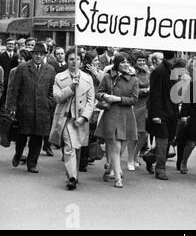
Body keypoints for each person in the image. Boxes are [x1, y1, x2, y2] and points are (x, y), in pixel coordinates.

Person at [49, 48, 95, 190]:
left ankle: (73, 173)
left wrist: (84, 117)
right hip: (65, 118)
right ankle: (72, 177)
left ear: (81, 61)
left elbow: (90, 101)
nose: (74, 62)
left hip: (79, 119)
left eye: (77, 59)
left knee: (77, 146)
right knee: (69, 147)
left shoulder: (88, 79)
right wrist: (71, 87)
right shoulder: (59, 77)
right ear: (66, 61)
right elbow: (57, 97)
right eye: (71, 59)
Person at [7, 42, 56, 173]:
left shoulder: (50, 70)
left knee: (37, 137)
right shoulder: (23, 68)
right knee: (22, 136)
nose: (38, 56)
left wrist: (49, 103)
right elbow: (14, 89)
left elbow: (52, 90)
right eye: (36, 54)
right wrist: (12, 106)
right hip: (25, 108)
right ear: (32, 55)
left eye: (41, 54)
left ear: (45, 55)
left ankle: (32, 163)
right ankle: (18, 154)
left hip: (42, 110)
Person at [94, 53, 139, 188]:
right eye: (123, 62)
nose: (126, 65)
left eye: (128, 62)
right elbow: (98, 93)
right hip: (111, 115)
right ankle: (118, 178)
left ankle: (110, 168)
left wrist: (118, 99)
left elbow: (134, 99)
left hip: (126, 115)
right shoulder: (108, 77)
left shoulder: (133, 80)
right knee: (116, 146)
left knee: (121, 147)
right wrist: (104, 96)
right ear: (117, 64)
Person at [144, 50, 178, 180]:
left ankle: (150, 157)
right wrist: (156, 114)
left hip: (172, 111)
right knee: (162, 141)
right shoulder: (159, 71)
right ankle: (160, 169)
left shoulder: (173, 70)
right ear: (174, 56)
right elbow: (155, 94)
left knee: (168, 140)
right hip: (161, 112)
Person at [5, 49, 32, 162]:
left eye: (22, 59)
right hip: (19, 106)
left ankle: (26, 154)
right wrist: (10, 107)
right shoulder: (14, 71)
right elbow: (10, 90)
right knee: (20, 132)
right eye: (19, 58)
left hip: (31, 105)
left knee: (30, 133)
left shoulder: (32, 71)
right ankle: (19, 153)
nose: (19, 60)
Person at [126, 51, 150, 171]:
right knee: (133, 134)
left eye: (143, 60)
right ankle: (130, 159)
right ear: (135, 61)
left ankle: (135, 156)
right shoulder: (131, 72)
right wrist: (144, 91)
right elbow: (131, 89)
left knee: (144, 134)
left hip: (145, 105)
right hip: (134, 105)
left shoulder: (147, 72)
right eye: (139, 60)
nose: (142, 62)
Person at [0, 37, 19, 110]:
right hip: (3, 81)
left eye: (12, 44)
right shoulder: (1, 56)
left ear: (14, 46)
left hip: (13, 81)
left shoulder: (17, 56)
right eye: (9, 44)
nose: (11, 45)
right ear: (6, 45)